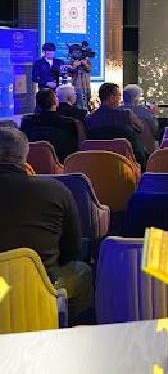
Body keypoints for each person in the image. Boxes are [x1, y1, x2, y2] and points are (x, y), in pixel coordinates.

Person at [0, 128, 93, 322]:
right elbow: (72, 249)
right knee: (82, 270)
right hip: (41, 284)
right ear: (24, 156)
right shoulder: (56, 190)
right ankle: (68, 330)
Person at [20, 89, 81, 162]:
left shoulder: (27, 122)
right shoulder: (69, 123)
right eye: (56, 96)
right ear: (54, 101)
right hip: (64, 163)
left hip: (33, 163)